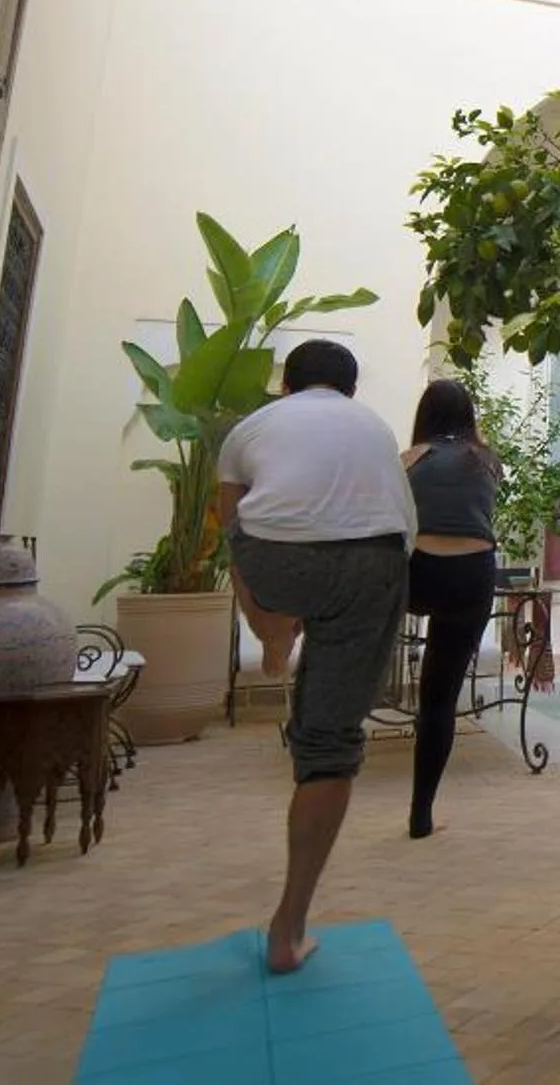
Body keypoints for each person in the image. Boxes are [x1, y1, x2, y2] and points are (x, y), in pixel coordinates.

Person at [217, 340, 416, 973]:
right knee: (329, 747)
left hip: (279, 562)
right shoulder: (376, 427)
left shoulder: (251, 428)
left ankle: (275, 631)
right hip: (374, 564)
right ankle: (289, 927)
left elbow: (231, 532)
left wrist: (265, 604)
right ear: (351, 390)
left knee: (249, 547)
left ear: (286, 387)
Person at [401, 379, 501, 840]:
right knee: (439, 699)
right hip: (471, 573)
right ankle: (421, 813)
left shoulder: (409, 459)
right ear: (468, 415)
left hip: (416, 572)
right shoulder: (486, 459)